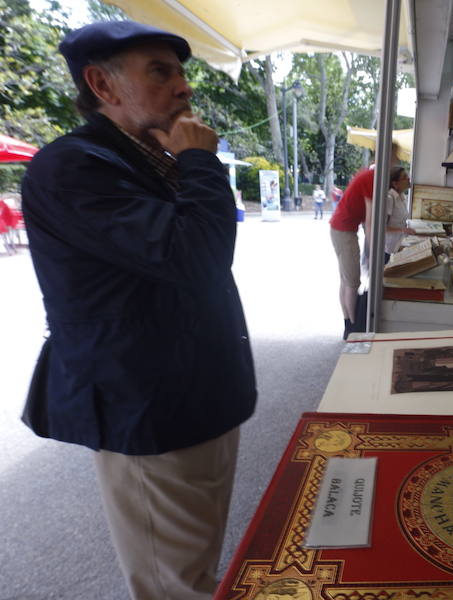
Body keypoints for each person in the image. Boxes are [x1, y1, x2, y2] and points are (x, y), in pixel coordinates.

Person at [20, 21, 256, 600]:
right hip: (149, 405)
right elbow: (197, 255)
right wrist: (199, 161)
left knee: (196, 563)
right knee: (172, 582)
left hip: (194, 395)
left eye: (180, 72)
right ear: (102, 85)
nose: (184, 87)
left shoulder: (145, 158)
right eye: (160, 72)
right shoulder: (72, 167)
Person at [329, 145, 399, 339]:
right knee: (352, 282)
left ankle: (348, 324)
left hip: (341, 228)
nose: (397, 160)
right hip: (344, 230)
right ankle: (353, 329)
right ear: (387, 157)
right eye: (395, 156)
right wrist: (373, 252)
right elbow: (370, 221)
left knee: (346, 280)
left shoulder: (370, 175)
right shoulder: (372, 178)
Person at [384, 166, 413, 261]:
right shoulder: (389, 198)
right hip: (388, 249)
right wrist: (403, 230)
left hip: (398, 246)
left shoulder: (401, 197)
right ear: (395, 184)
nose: (408, 178)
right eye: (404, 177)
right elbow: (382, 228)